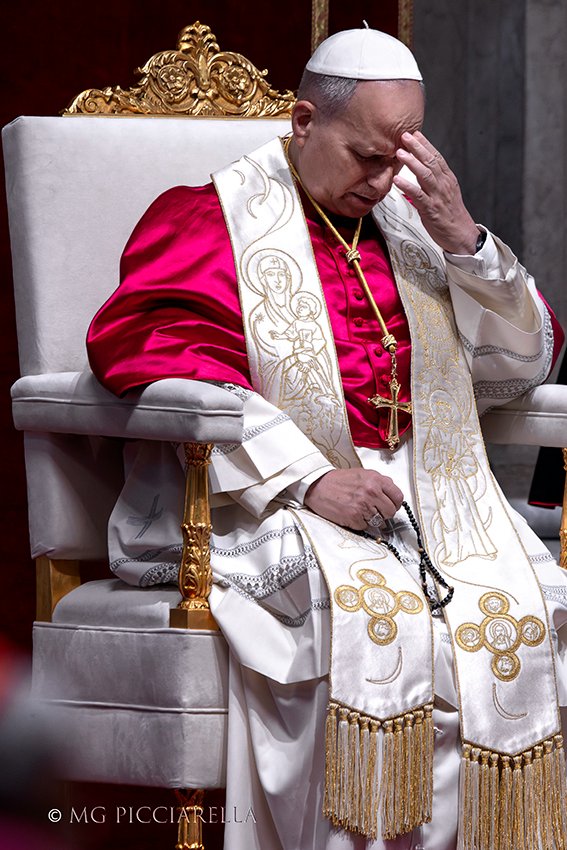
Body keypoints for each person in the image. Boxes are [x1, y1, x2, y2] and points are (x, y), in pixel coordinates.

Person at [87, 27, 567, 850]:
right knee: (365, 616)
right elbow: (157, 351)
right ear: (304, 121)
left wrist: (464, 241)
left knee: (517, 613)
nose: (384, 181)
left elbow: (517, 369)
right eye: (366, 157)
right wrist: (307, 479)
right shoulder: (208, 219)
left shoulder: (413, 226)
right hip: (260, 495)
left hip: (423, 494)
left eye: (402, 158)